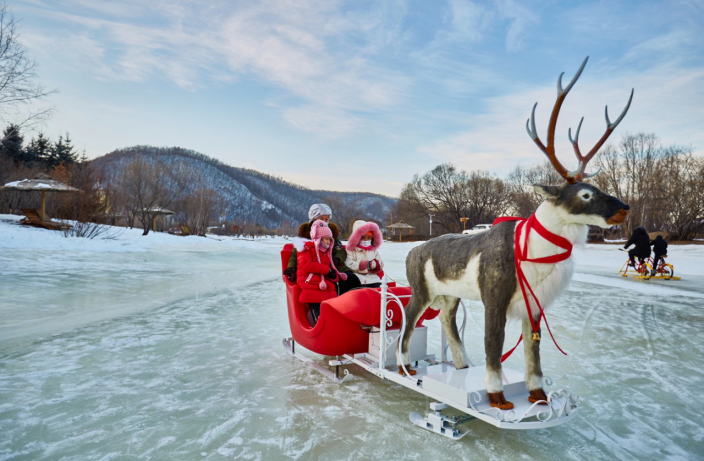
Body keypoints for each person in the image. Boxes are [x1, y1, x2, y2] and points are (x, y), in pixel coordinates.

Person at [283, 204, 350, 282]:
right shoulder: (305, 234)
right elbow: (296, 253)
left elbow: (340, 250)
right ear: (313, 219)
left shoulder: (331, 232)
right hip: (313, 269)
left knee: (350, 277)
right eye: (321, 219)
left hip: (331, 266)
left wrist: (336, 259)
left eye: (327, 219)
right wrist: (291, 267)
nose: (324, 222)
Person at [296, 220, 345, 326]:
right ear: (318, 238)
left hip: (323, 285)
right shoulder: (307, 248)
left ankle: (332, 326)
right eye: (326, 239)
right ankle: (320, 326)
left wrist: (334, 275)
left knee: (332, 307)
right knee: (319, 309)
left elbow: (329, 268)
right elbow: (306, 264)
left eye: (329, 240)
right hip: (310, 283)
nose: (328, 242)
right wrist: (327, 270)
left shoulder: (326, 252)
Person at [344, 220, 385, 290]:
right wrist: (365, 265)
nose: (366, 240)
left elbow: (380, 262)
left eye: (368, 238)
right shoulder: (350, 250)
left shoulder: (373, 251)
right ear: (357, 238)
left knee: (380, 291)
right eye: (363, 238)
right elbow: (349, 264)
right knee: (365, 292)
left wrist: (378, 265)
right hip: (358, 278)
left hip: (373, 278)